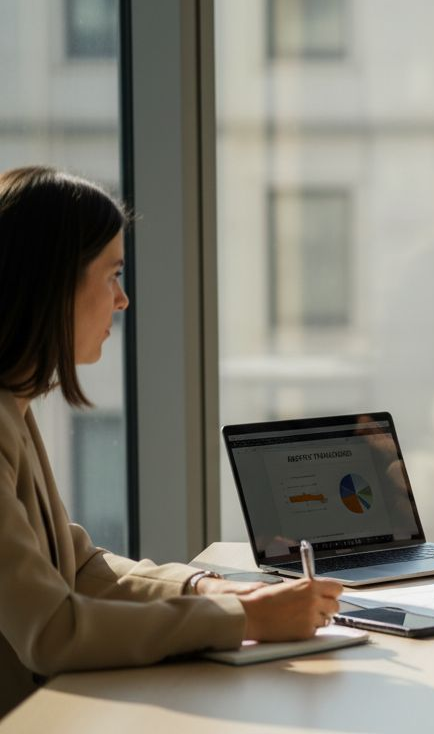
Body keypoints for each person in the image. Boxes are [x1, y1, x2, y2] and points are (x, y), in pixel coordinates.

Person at [0, 167, 344, 715]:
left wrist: (207, 589)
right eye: (112, 274)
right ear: (54, 280)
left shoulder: (13, 404)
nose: (123, 300)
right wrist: (248, 620)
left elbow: (78, 566)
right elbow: (51, 629)